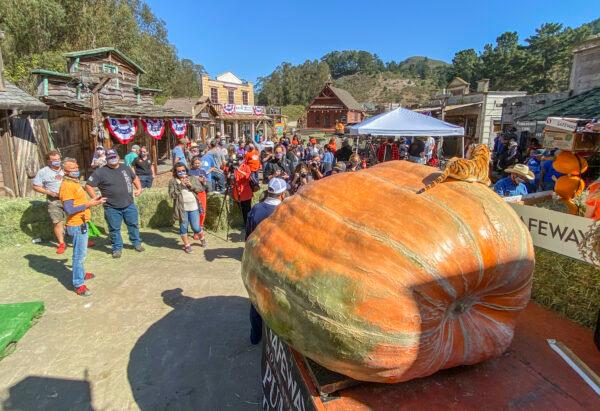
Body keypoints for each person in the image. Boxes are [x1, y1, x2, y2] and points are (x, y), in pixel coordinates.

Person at [246, 178, 287, 344]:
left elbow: (248, 236)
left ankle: (255, 336)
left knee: (256, 299)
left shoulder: (256, 209)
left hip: (257, 259)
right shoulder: (285, 211)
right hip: (277, 262)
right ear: (283, 194)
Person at [85, 149, 144, 258]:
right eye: (110, 157)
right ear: (106, 159)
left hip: (129, 204)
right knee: (114, 229)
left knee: (133, 225)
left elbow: (135, 178)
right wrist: (95, 198)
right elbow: (88, 185)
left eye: (114, 156)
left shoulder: (125, 168)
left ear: (117, 156)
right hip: (111, 207)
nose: (113, 159)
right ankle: (117, 248)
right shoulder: (100, 172)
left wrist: (139, 188)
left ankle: (136, 243)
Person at [59, 157, 105, 296]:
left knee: (82, 253)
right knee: (78, 256)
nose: (76, 170)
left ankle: (81, 273)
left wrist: (91, 200)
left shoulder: (74, 182)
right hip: (76, 224)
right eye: (72, 169)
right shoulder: (67, 186)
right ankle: (78, 284)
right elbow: (69, 209)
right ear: (65, 171)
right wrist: (89, 204)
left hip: (82, 222)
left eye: (76, 167)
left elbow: (79, 201)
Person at [32, 150, 67, 254]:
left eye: (58, 159)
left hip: (69, 199)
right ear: (48, 161)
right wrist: (49, 192)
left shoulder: (66, 168)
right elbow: (35, 186)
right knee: (57, 222)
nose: (57, 161)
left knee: (76, 219)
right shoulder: (43, 172)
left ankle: (80, 240)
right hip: (54, 201)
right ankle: (61, 244)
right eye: (54, 160)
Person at [168, 162, 207, 253]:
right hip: (182, 208)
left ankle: (202, 238)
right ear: (175, 172)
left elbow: (200, 189)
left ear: (186, 170)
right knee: (183, 227)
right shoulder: (173, 181)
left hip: (193, 206)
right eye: (179, 171)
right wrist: (180, 186)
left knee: (196, 228)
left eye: (183, 170)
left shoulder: (192, 178)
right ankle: (187, 245)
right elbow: (172, 195)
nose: (181, 172)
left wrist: (191, 186)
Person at [188, 157, 210, 231]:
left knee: (202, 211)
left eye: (198, 163)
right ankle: (195, 228)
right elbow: (188, 183)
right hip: (194, 193)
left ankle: (200, 226)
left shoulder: (203, 171)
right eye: (195, 163)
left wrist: (204, 181)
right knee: (195, 211)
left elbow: (206, 184)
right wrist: (196, 179)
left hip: (202, 192)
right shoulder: (189, 172)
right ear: (192, 164)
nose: (197, 165)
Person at [231, 155, 254, 226]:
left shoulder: (246, 167)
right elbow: (233, 180)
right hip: (237, 191)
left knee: (248, 209)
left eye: (241, 159)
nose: (239, 161)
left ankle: (250, 223)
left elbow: (248, 176)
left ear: (243, 160)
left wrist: (239, 170)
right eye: (238, 159)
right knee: (243, 210)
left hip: (245, 191)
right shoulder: (234, 167)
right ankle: (245, 224)